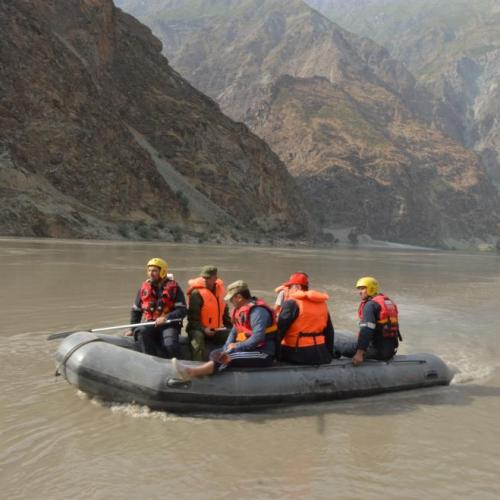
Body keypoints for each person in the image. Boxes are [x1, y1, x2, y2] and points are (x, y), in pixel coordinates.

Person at [172, 280, 277, 379]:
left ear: (239, 297)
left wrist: (236, 346)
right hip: (248, 349)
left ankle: (192, 373)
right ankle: (208, 371)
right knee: (215, 353)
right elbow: (235, 330)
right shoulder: (241, 310)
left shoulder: (258, 312)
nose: (230, 301)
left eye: (232, 299)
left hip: (262, 352)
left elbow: (258, 338)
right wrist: (227, 346)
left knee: (229, 356)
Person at [126, 258, 187, 358]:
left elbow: (182, 310)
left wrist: (167, 317)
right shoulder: (144, 288)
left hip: (169, 324)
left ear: (162, 272)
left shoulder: (174, 288)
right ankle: (152, 361)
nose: (151, 273)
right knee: (140, 332)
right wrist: (133, 328)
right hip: (151, 323)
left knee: (170, 344)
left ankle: (179, 364)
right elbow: (136, 310)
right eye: (149, 270)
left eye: (154, 271)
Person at [278, 272, 334, 365]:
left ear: (298, 287)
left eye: (290, 287)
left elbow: (280, 331)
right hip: (320, 353)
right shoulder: (322, 304)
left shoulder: (292, 303)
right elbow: (329, 332)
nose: (288, 290)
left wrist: (274, 354)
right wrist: (329, 354)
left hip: (297, 354)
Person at [347, 276, 401, 366]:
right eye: (359, 289)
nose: (359, 292)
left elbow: (366, 330)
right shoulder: (388, 302)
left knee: (337, 345)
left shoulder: (370, 305)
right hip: (390, 350)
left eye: (362, 288)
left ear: (371, 289)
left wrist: (359, 353)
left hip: (375, 350)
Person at [186, 265, 232, 361]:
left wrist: (232, 330)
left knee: (234, 335)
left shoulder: (220, 291)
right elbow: (192, 319)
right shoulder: (196, 293)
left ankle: (233, 362)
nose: (205, 280)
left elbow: (225, 316)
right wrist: (204, 329)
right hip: (197, 329)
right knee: (197, 338)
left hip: (215, 330)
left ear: (215, 278)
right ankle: (198, 367)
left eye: (208, 278)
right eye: (203, 278)